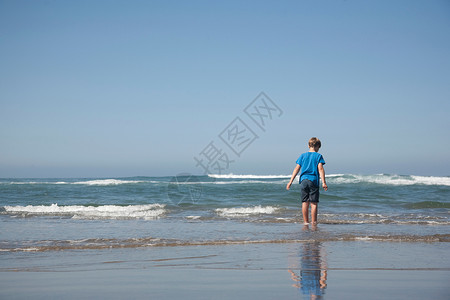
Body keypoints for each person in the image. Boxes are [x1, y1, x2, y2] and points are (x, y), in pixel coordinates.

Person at [286, 137, 328, 225]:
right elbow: (320, 169)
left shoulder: (302, 155)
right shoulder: (318, 156)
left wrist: (290, 181)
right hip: (313, 180)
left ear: (309, 145)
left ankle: (305, 222)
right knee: (313, 203)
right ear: (317, 146)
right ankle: (314, 222)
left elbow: (296, 169)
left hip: (303, 181)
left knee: (304, 202)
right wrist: (324, 182)